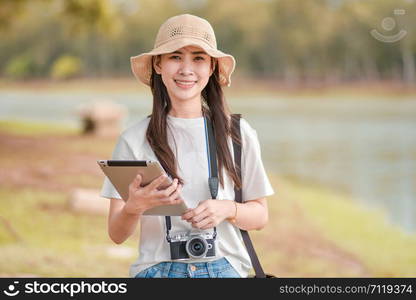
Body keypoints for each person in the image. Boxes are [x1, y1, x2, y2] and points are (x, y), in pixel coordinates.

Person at [100, 14, 274, 278]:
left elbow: (260, 216)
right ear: (158, 64)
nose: (186, 69)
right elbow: (116, 233)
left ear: (212, 67)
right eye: (175, 56)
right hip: (156, 272)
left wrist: (227, 209)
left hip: (226, 270)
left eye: (198, 58)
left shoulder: (237, 133)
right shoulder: (133, 139)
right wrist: (134, 207)